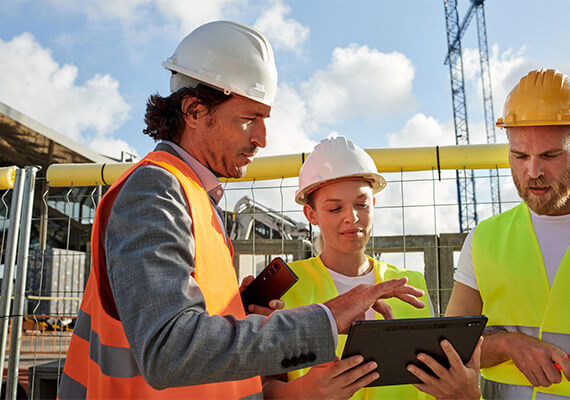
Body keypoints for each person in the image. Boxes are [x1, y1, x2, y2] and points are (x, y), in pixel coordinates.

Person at [58, 21, 426, 399]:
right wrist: (329, 317)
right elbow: (169, 349)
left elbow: (182, 325)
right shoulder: (155, 190)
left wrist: (236, 309)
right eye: (249, 119)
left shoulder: (196, 195)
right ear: (194, 110)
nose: (262, 139)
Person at [263, 136, 483, 400]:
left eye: (361, 204)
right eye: (334, 208)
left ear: (374, 204)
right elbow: (263, 387)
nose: (352, 217)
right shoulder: (284, 287)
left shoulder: (411, 283)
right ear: (311, 215)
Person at [445, 68, 570, 399]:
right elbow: (449, 347)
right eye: (519, 156)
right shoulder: (485, 238)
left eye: (550, 156)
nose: (533, 171)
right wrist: (508, 345)